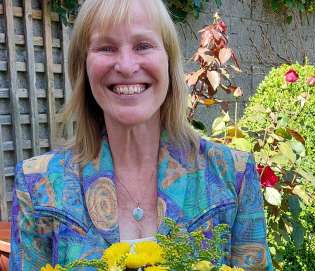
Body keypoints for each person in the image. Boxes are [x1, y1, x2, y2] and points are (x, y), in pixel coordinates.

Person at [10, 0, 273, 270]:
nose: (125, 66)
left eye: (143, 46)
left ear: (169, 61)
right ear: (83, 67)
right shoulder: (38, 187)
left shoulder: (231, 174)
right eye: (106, 48)